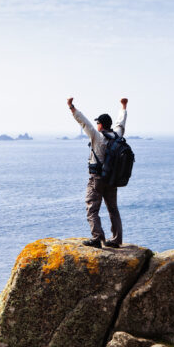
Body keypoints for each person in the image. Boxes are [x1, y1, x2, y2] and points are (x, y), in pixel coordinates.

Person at [67, 96, 127, 248]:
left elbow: (83, 121)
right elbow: (121, 123)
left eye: (98, 122)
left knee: (92, 208)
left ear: (100, 125)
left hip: (97, 179)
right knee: (113, 209)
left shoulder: (96, 136)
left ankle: (97, 238)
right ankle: (116, 239)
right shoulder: (117, 135)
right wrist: (123, 107)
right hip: (112, 179)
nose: (97, 125)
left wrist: (71, 107)